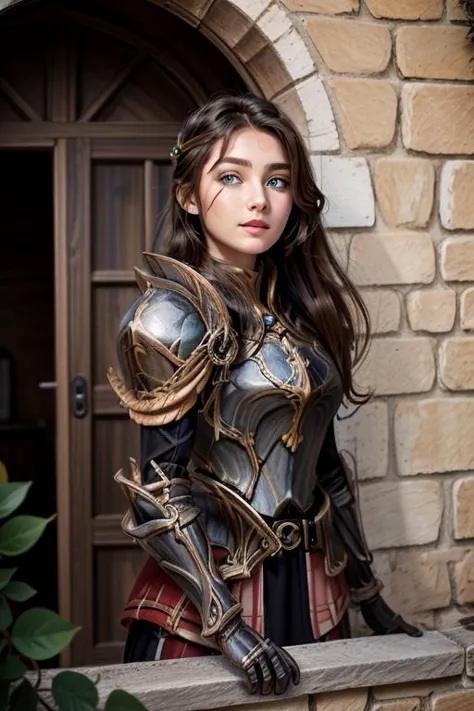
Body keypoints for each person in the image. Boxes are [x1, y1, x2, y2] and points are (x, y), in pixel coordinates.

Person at [107, 93, 421, 696]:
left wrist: (368, 594)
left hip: (313, 584)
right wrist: (229, 627)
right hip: (211, 596)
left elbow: (324, 464)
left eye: (277, 180)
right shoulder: (169, 317)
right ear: (189, 195)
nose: (259, 199)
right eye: (232, 176)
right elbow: (160, 488)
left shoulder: (300, 312)